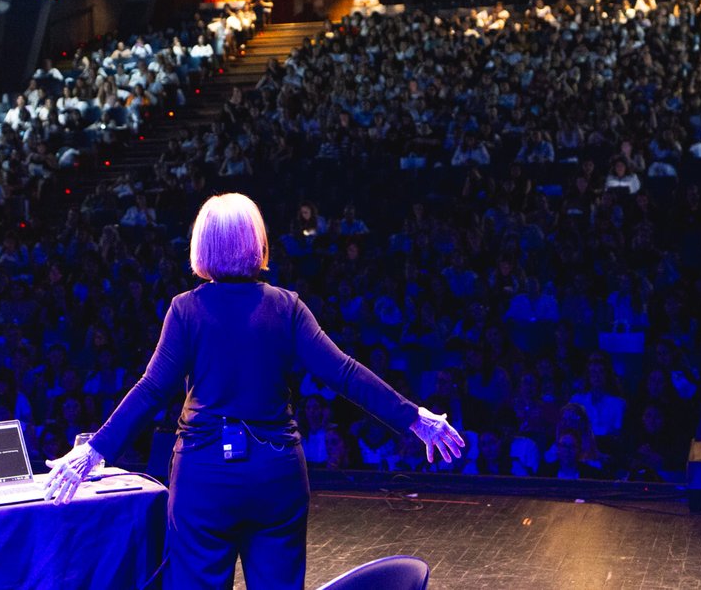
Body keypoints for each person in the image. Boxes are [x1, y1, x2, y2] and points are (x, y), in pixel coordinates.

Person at [44, 193, 463, 589]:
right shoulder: (286, 306)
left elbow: (153, 389)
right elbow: (345, 373)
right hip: (276, 477)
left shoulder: (186, 309)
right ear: (255, 242)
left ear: (202, 245)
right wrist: (413, 417)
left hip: (205, 479)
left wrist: (95, 450)